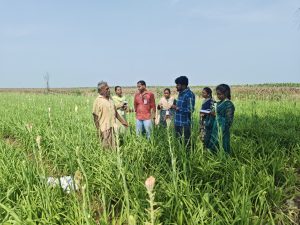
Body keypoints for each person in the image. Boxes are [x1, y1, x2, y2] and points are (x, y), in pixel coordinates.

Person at [92, 81, 128, 149]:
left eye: (108, 88)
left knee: (114, 146)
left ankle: (114, 158)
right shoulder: (98, 100)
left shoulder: (110, 99)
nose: (109, 90)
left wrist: (123, 122)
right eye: (107, 89)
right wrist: (98, 129)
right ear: (101, 90)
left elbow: (115, 112)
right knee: (106, 147)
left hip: (113, 127)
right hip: (104, 129)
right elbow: (95, 116)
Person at [208, 84, 235, 154]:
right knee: (213, 149)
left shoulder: (229, 105)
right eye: (217, 94)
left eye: (219, 94)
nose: (218, 96)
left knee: (222, 148)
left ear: (226, 93)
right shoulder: (219, 103)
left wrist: (216, 115)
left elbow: (228, 122)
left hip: (222, 131)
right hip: (215, 129)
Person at [172, 76, 195, 148]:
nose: (176, 86)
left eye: (178, 85)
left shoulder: (189, 94)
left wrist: (177, 108)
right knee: (179, 143)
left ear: (184, 85)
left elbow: (190, 110)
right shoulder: (180, 94)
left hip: (185, 124)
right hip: (177, 122)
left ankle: (189, 158)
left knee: (187, 144)